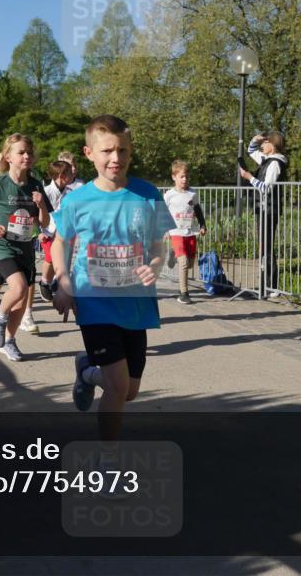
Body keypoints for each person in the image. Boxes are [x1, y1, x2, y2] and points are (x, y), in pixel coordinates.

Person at [52, 115, 175, 474]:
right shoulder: (79, 200)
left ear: (130, 151)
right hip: (94, 301)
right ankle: (107, 463)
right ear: (89, 153)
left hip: (136, 305)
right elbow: (61, 242)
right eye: (107, 151)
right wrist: (62, 280)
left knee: (129, 390)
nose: (115, 158)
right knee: (119, 386)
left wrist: (154, 264)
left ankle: (86, 371)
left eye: (122, 150)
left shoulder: (147, 194)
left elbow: (157, 246)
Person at [0, 134, 52, 362]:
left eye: (29, 152)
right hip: (3, 246)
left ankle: (9, 340)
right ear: (8, 157)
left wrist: (41, 204)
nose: (27, 156)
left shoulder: (36, 185)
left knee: (23, 295)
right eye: (21, 152)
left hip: (26, 248)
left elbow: (44, 223)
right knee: (18, 287)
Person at [240, 131, 288, 297]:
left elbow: (267, 188)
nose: (262, 145)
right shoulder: (267, 160)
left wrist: (249, 177)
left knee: (266, 246)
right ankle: (264, 285)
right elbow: (251, 151)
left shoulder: (274, 163)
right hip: (263, 208)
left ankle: (271, 286)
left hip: (269, 209)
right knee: (263, 246)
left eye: (265, 143)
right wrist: (255, 139)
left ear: (272, 146)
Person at [164, 160, 207, 304]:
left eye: (187, 177)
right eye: (181, 176)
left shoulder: (192, 193)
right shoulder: (169, 195)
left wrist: (202, 224)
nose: (184, 179)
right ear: (174, 177)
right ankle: (184, 293)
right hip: (175, 232)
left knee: (189, 264)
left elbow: (197, 209)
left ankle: (173, 254)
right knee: (183, 263)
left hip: (190, 232)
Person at [38, 160, 76, 303]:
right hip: (47, 231)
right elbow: (36, 213)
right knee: (50, 256)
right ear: (60, 175)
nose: (72, 173)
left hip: (63, 232)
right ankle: (44, 281)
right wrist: (39, 231)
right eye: (68, 171)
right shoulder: (46, 192)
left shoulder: (70, 193)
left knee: (60, 258)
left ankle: (52, 282)